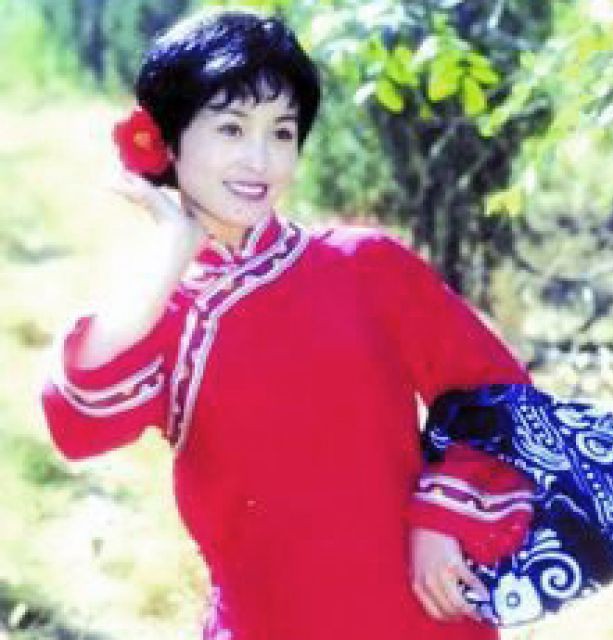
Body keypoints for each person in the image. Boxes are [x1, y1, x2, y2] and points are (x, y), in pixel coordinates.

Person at [39, 8, 535, 640]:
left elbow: (498, 396)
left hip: (418, 616)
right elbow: (79, 423)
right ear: (168, 139)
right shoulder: (163, 314)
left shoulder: (364, 265)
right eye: (231, 128)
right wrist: (172, 250)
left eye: (281, 132)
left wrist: (445, 517)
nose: (260, 159)